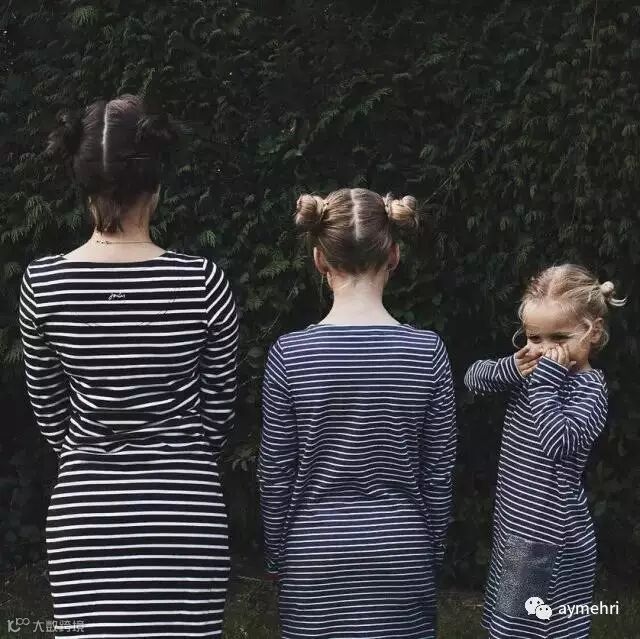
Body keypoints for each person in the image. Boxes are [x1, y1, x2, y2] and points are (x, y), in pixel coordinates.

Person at [18, 94, 239, 638]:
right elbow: (219, 411)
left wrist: (92, 452)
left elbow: (49, 411)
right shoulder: (202, 282)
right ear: (156, 185)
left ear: (82, 184)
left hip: (86, 512)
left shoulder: (43, 285)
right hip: (184, 510)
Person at [258, 188, 457, 639]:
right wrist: (432, 550)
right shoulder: (427, 353)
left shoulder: (290, 355)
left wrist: (275, 557)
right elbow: (438, 472)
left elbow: (276, 473)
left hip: (314, 552)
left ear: (319, 259)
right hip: (401, 549)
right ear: (394, 254)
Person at [464, 264, 626, 638]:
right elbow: (474, 378)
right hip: (516, 524)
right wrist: (511, 367)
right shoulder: (530, 372)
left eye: (559, 337)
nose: (545, 349)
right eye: (534, 337)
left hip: (548, 534)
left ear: (593, 331)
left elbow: (558, 443)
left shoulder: (589, 390)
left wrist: (544, 384)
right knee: (512, 618)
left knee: (538, 623)